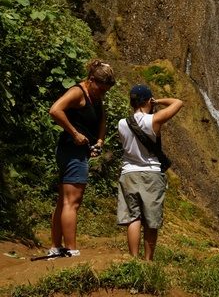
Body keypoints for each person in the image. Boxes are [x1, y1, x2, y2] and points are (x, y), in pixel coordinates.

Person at [48, 59, 116, 257]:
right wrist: (74, 133)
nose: (102, 94)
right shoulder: (78, 92)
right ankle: (70, 250)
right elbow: (55, 110)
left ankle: (56, 247)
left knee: (64, 201)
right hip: (71, 152)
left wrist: (100, 141)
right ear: (91, 79)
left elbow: (102, 118)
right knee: (72, 201)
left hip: (77, 152)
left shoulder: (95, 95)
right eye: (101, 89)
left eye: (105, 91)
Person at [117, 84, 183, 261]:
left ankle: (133, 259)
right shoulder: (153, 120)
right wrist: (158, 101)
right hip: (151, 174)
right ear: (148, 100)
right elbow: (178, 102)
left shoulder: (122, 123)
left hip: (128, 173)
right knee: (151, 220)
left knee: (133, 218)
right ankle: (148, 261)